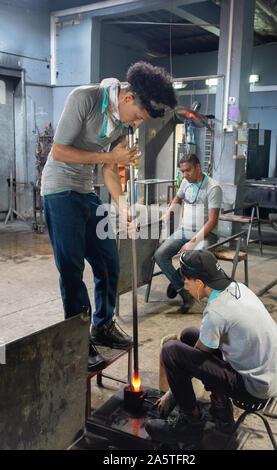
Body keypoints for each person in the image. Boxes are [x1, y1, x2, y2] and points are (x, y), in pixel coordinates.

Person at [41, 61, 177, 372]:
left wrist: (123, 206)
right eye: (139, 117)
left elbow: (110, 170)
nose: (138, 124)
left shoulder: (124, 125)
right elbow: (60, 151)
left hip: (86, 190)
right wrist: (110, 156)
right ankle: (78, 341)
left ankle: (102, 325)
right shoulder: (84, 99)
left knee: (108, 260)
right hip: (59, 189)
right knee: (72, 268)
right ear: (128, 98)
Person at [145, 250, 277, 445]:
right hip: (267, 377)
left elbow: (196, 357)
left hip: (253, 388)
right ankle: (222, 412)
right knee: (189, 335)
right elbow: (201, 349)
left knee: (171, 351)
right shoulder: (238, 288)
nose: (184, 285)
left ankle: (189, 423)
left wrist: (171, 393)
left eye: (186, 280)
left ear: (200, 284)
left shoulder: (217, 310)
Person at [154, 154, 222, 313]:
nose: (185, 175)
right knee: (160, 255)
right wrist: (168, 213)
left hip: (206, 234)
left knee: (192, 257)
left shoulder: (213, 187)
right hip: (184, 230)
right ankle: (182, 289)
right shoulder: (185, 182)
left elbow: (212, 221)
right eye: (182, 171)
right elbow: (177, 200)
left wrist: (192, 241)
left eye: (188, 170)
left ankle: (180, 277)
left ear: (198, 167)